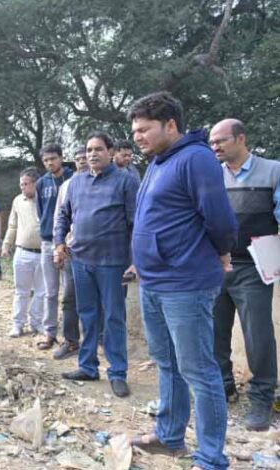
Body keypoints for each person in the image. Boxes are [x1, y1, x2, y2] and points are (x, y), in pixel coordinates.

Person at [127, 92, 236, 470]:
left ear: (170, 125)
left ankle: (210, 457)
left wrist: (222, 251)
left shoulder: (196, 159)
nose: (137, 136)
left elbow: (220, 220)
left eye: (144, 129)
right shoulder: (158, 161)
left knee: (199, 371)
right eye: (135, 130)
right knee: (167, 363)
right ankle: (170, 435)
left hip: (185, 283)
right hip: (154, 281)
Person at [54, 132, 138, 398]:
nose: (92, 154)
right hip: (81, 261)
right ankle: (88, 366)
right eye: (89, 150)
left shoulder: (126, 182)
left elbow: (137, 224)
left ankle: (117, 372)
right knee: (87, 315)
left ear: (110, 152)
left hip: (112, 262)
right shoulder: (76, 182)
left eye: (98, 149)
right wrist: (58, 243)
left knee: (113, 317)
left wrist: (135, 261)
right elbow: (63, 215)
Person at [210, 118, 280, 431]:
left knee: (258, 335)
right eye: (212, 142)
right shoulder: (212, 175)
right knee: (214, 331)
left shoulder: (273, 171)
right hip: (214, 266)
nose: (215, 147)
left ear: (241, 138)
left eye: (221, 140)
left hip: (253, 267)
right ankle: (223, 388)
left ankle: (262, 399)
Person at [35, 143, 74, 350]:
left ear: (61, 157)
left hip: (69, 242)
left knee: (69, 293)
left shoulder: (73, 178)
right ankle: (49, 333)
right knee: (50, 291)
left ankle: (71, 337)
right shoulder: (41, 183)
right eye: (46, 160)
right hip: (48, 241)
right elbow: (41, 212)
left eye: (53, 158)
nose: (50, 163)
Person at [51, 147, 89, 360]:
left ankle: (99, 340)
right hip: (72, 251)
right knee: (69, 298)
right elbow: (60, 218)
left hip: (98, 253)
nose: (83, 161)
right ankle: (71, 340)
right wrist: (58, 247)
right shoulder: (67, 186)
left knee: (98, 301)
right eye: (79, 159)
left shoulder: (108, 182)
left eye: (85, 157)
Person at [2, 170, 44, 337]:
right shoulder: (18, 201)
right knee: (21, 291)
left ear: (36, 184)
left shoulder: (46, 199)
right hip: (22, 252)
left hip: (43, 253)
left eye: (26, 184)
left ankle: (36, 322)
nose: (23, 187)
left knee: (42, 291)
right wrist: (6, 245)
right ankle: (18, 324)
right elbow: (12, 225)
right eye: (21, 184)